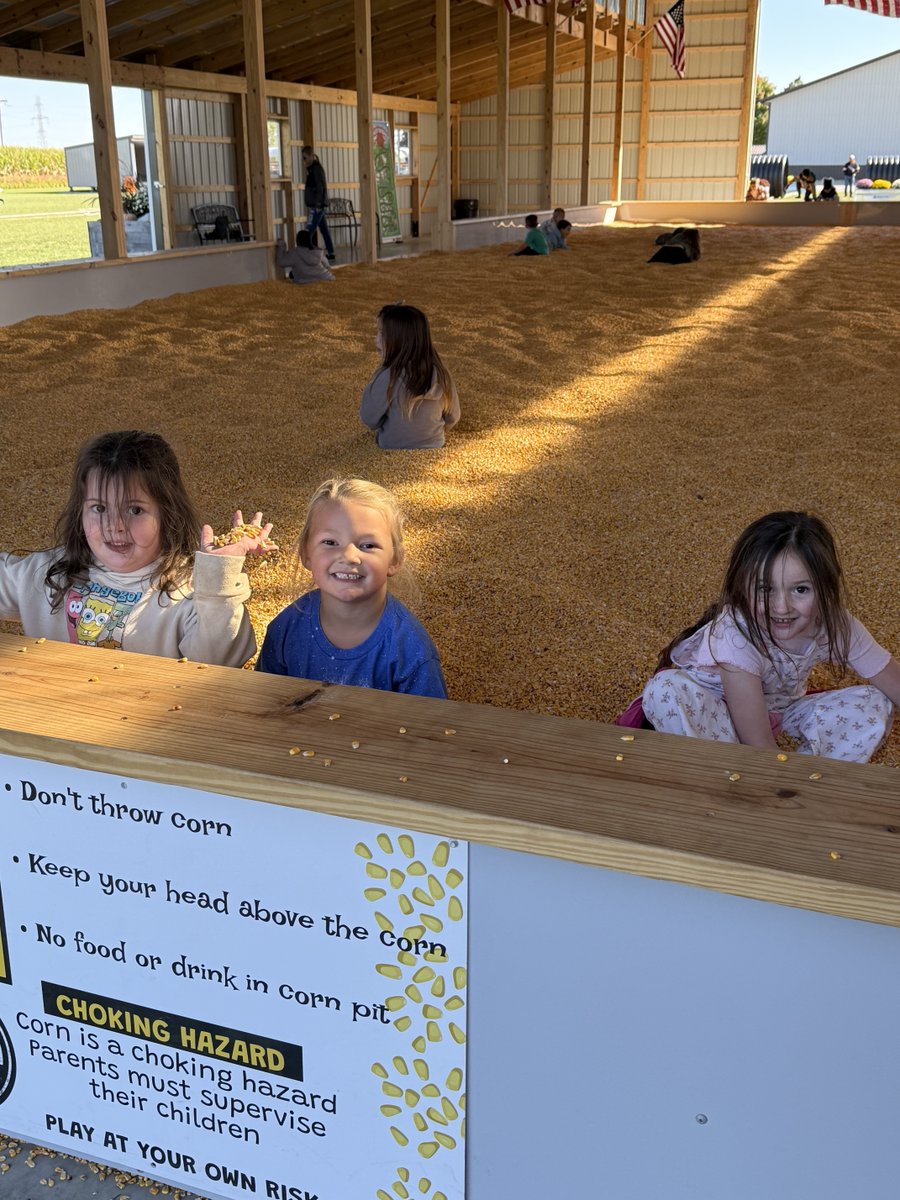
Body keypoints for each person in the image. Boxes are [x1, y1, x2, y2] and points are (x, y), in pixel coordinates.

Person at [638, 511, 899, 763]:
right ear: (742, 586)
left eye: (800, 589)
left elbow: (893, 683)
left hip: (779, 713)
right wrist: (776, 780)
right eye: (765, 589)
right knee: (665, 689)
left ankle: (809, 774)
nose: (782, 607)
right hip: (712, 717)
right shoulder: (736, 633)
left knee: (873, 703)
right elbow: (757, 742)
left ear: (826, 588)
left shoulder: (835, 625)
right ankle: (726, 776)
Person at [0, 430, 274, 665]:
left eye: (134, 510)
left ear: (167, 514)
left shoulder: (189, 591)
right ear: (79, 512)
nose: (115, 525)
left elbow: (218, 661)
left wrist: (218, 580)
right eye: (99, 508)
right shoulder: (46, 573)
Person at [257, 478, 447, 698]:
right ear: (306, 554)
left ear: (395, 560)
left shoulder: (410, 650)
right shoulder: (286, 628)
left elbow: (429, 725)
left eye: (367, 545)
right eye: (330, 542)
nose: (348, 556)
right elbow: (264, 701)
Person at [359, 303, 460, 450]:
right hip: (435, 446)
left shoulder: (386, 377)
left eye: (381, 333)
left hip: (391, 447)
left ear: (398, 340)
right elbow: (453, 417)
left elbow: (369, 419)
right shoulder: (441, 374)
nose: (376, 339)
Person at [301, 145, 336, 263]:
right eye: (303, 158)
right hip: (317, 205)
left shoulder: (316, 169)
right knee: (324, 230)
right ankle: (331, 253)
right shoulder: (312, 169)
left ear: (311, 156)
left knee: (309, 230)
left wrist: (317, 205)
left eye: (305, 158)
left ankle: (305, 254)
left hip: (317, 206)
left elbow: (320, 188)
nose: (304, 161)